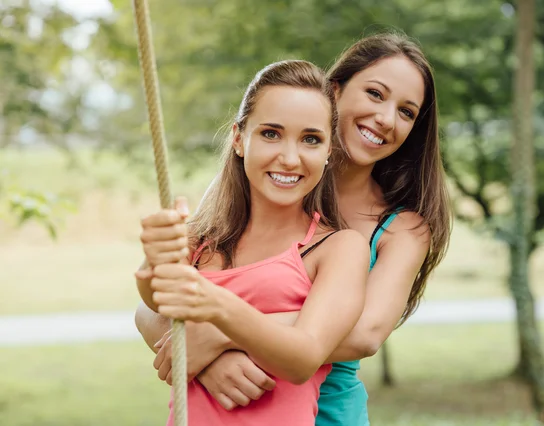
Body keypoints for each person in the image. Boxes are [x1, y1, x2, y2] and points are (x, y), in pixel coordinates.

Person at [137, 32, 452, 426]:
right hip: (231, 401)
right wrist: (209, 362)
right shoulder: (250, 185)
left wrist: (220, 334)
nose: (386, 118)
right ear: (334, 93)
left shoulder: (400, 227)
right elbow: (151, 308)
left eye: (406, 112)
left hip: (327, 414)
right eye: (375, 93)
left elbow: (364, 333)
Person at [135, 60, 370, 425]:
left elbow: (304, 357)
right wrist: (154, 260)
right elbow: (157, 302)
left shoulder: (339, 248)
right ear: (239, 139)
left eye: (311, 139)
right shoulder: (202, 239)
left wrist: (215, 312)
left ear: (328, 152)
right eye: (271, 134)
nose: (289, 158)